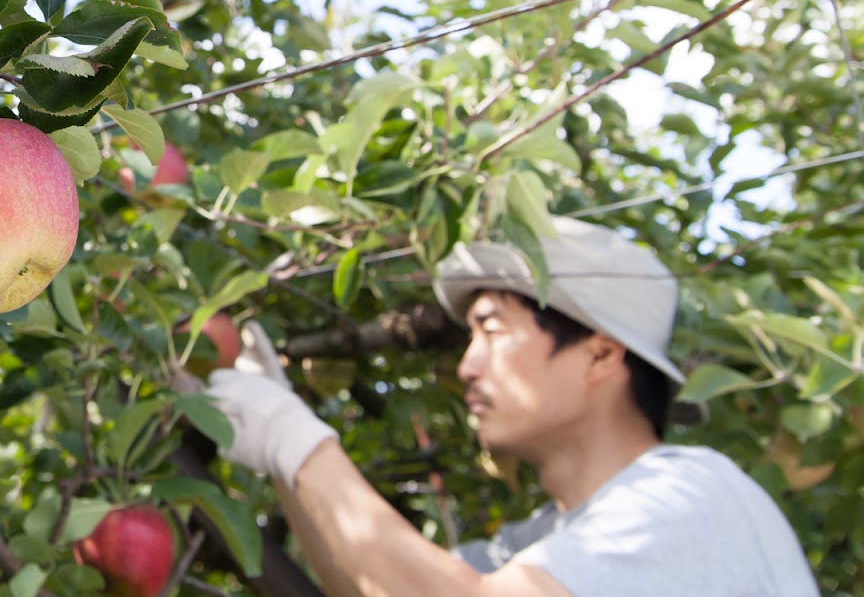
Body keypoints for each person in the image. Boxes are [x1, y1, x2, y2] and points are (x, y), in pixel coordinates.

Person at [203, 217, 819, 597]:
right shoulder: (538, 544)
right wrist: (285, 455)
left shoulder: (686, 493)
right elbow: (376, 587)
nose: (467, 365)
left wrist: (295, 438)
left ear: (600, 356)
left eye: (492, 330)